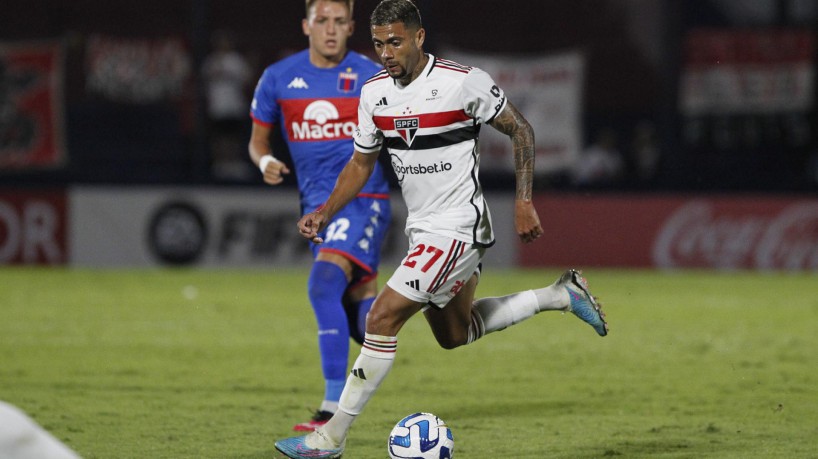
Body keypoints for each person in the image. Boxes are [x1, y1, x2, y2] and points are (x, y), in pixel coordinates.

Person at [275, 1, 608, 457]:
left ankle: (329, 437)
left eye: (395, 42)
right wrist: (326, 211)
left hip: (460, 226)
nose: (386, 52)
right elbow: (360, 163)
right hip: (424, 228)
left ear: (419, 37)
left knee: (381, 318)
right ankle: (559, 295)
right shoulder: (374, 93)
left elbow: (521, 131)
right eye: (378, 44)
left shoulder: (462, 82)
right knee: (455, 334)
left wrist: (524, 201)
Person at [248, 0, 391, 433]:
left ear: (350, 27)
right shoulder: (278, 77)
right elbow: (258, 141)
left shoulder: (371, 76)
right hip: (316, 209)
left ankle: (331, 410)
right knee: (362, 316)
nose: (330, 29)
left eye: (339, 22)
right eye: (322, 21)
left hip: (363, 199)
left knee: (324, 282)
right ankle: (422, 316)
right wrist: (264, 162)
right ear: (306, 25)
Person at [203, 30, 254, 180]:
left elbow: (247, 78)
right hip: (217, 107)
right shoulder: (211, 61)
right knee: (219, 137)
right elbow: (205, 78)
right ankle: (220, 164)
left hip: (234, 106)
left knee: (234, 137)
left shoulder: (236, 60)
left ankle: (233, 163)